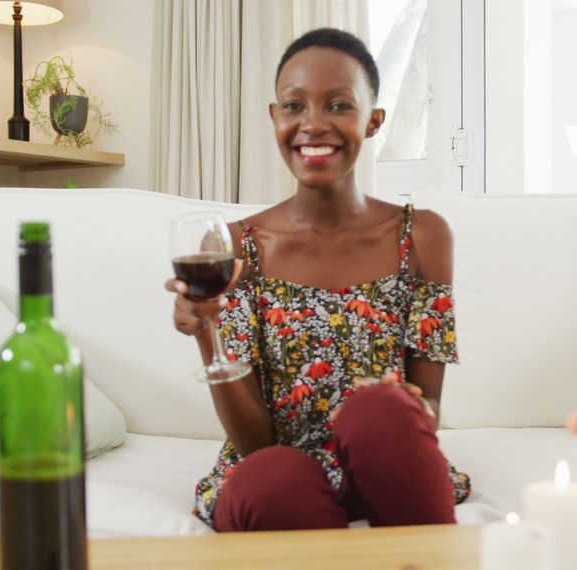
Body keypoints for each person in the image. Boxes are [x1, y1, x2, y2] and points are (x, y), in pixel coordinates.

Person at [165, 27, 470, 532]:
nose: (313, 124)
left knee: (380, 412)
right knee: (273, 477)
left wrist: (402, 409)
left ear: (373, 121)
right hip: (276, 471)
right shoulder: (237, 247)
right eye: (294, 106)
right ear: (274, 118)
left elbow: (427, 408)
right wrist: (206, 333)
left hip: (382, 459)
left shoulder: (423, 236)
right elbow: (255, 444)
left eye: (338, 106)